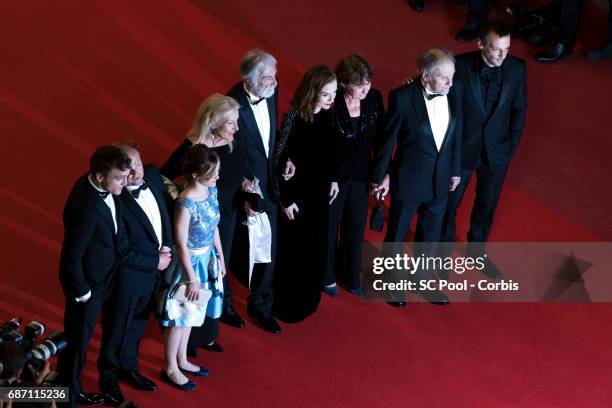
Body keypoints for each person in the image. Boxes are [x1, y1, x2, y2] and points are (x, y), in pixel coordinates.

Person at [371, 48, 463, 308]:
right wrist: (380, 176)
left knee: (430, 234)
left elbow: (456, 134)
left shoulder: (454, 92)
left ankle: (422, 279)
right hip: (409, 179)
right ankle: (392, 283)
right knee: (397, 234)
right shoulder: (401, 98)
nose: (450, 83)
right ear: (426, 75)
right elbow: (387, 142)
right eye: (444, 78)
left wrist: (455, 169)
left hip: (441, 179)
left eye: (452, 77)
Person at [161, 94, 246, 354]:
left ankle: (207, 334)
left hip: (223, 217)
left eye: (236, 122)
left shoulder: (231, 141)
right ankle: (188, 346)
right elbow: (163, 175)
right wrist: (185, 201)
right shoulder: (193, 148)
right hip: (199, 224)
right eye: (230, 123)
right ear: (212, 123)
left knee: (215, 277)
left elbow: (239, 170)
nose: (236, 129)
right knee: (194, 284)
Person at [440, 20, 527, 276]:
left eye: (507, 48)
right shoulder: (459, 65)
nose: (503, 55)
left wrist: (510, 147)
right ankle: (442, 255)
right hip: (463, 150)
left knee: (487, 205)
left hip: (497, 152)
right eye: (497, 49)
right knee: (450, 204)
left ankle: (476, 253)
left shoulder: (517, 69)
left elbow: (519, 109)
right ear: (480, 44)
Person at [95, 142, 173, 405]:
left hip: (152, 275)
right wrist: (156, 260)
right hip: (127, 279)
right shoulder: (114, 201)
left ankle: (128, 368)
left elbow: (165, 214)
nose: (136, 172)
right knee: (116, 331)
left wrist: (168, 246)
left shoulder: (151, 175)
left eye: (137, 164)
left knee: (138, 327)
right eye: (128, 169)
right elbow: (121, 251)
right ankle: (108, 380)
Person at [56, 146, 130, 407]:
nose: (126, 181)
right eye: (119, 178)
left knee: (78, 339)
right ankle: (70, 397)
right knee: (78, 343)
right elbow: (71, 257)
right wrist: (84, 292)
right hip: (88, 286)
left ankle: (67, 387)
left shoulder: (100, 187)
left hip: (105, 275)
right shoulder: (86, 207)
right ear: (100, 176)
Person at [271, 65, 337, 323]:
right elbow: (277, 160)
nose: (332, 99)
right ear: (312, 92)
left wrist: (333, 179)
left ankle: (310, 298)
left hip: (319, 195)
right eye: (326, 94)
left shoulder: (328, 116)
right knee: (294, 252)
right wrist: (284, 200)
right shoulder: (293, 117)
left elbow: (329, 152)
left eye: (334, 93)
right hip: (296, 198)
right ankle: (287, 303)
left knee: (315, 249)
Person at [158, 145, 225, 391]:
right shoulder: (185, 203)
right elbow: (181, 244)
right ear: (197, 175)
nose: (218, 176)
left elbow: (215, 224)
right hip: (188, 266)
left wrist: (220, 255)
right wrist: (191, 278)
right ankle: (170, 366)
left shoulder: (211, 190)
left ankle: (182, 359)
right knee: (179, 318)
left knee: (192, 316)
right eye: (213, 173)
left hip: (206, 258)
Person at [227, 49, 284, 334]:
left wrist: (285, 161)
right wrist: (246, 185)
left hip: (269, 185)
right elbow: (229, 150)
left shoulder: (272, 89)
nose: (273, 81)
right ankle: (224, 304)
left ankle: (260, 304)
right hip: (241, 189)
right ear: (248, 81)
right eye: (266, 76)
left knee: (267, 248)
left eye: (274, 75)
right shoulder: (232, 104)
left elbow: (273, 136)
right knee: (229, 247)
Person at [324, 54, 385, 298]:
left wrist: (383, 174)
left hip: (361, 175)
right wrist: (328, 176)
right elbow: (321, 145)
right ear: (343, 83)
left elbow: (381, 140)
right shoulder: (331, 101)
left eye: (368, 83)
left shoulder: (374, 99)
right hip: (333, 179)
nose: (365, 89)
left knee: (355, 227)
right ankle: (326, 275)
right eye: (359, 85)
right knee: (329, 226)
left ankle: (350, 274)